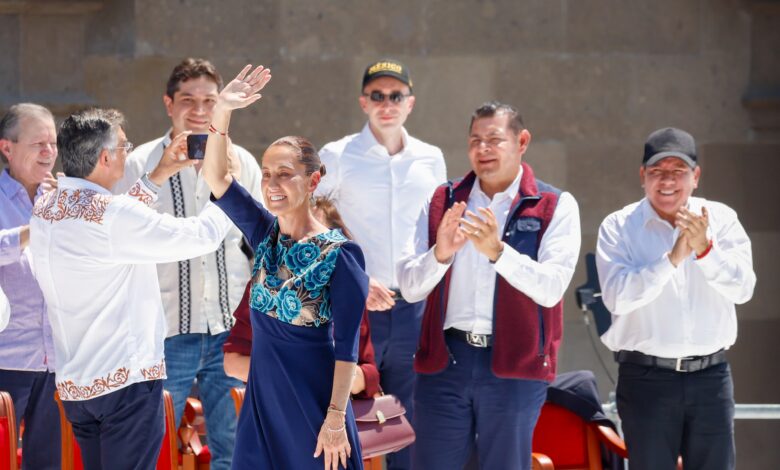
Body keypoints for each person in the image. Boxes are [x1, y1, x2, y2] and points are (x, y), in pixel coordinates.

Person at [28, 108, 234, 470]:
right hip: (126, 386)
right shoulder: (112, 217)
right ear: (105, 157)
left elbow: (114, 225)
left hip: (79, 386)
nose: (128, 152)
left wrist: (158, 174)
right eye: (124, 147)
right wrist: (228, 185)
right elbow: (200, 237)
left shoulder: (46, 207)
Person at [397, 101, 581, 470]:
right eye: (475, 141)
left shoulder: (553, 205)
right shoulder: (442, 201)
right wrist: (441, 253)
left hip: (515, 367)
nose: (483, 150)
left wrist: (498, 253)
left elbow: (551, 287)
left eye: (494, 140)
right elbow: (410, 287)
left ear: (522, 141)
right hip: (445, 362)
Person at [202, 64, 369, 470]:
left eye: (286, 174)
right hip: (263, 410)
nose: (273, 183)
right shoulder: (263, 234)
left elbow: (347, 352)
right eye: (267, 174)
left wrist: (333, 421)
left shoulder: (342, 255)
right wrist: (222, 111)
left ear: (312, 182)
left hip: (315, 411)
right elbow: (217, 177)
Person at [113, 58, 262, 469]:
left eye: (209, 101)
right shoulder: (139, 163)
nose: (199, 110)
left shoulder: (242, 162)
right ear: (168, 104)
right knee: (154, 445)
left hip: (229, 331)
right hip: (163, 332)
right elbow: (117, 232)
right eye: (188, 100)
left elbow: (262, 239)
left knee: (233, 446)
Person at [596, 127, 756, 470]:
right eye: (657, 172)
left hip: (710, 377)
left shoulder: (722, 220)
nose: (667, 181)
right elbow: (617, 299)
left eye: (678, 172)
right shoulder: (619, 226)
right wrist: (671, 259)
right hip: (646, 381)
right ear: (643, 176)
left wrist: (705, 250)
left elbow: (743, 290)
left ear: (695, 177)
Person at [316, 58, 446, 470]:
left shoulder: (431, 158)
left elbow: (435, 228)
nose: (386, 103)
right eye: (377, 95)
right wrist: (355, 279)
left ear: (410, 103)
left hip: (412, 308)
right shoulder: (337, 156)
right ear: (363, 102)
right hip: (354, 307)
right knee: (345, 414)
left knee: (404, 423)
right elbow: (311, 221)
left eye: (395, 96)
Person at [223, 197, 381, 399]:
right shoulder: (263, 285)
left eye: (316, 233)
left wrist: (347, 377)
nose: (307, 242)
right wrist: (306, 375)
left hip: (335, 413)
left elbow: (369, 373)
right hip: (279, 406)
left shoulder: (349, 291)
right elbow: (233, 363)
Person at [0, 103, 61, 470]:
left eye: (52, 143)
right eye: (38, 143)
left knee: (49, 464)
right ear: (7, 147)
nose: (48, 152)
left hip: (57, 360)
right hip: (6, 358)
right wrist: (34, 228)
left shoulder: (62, 197)